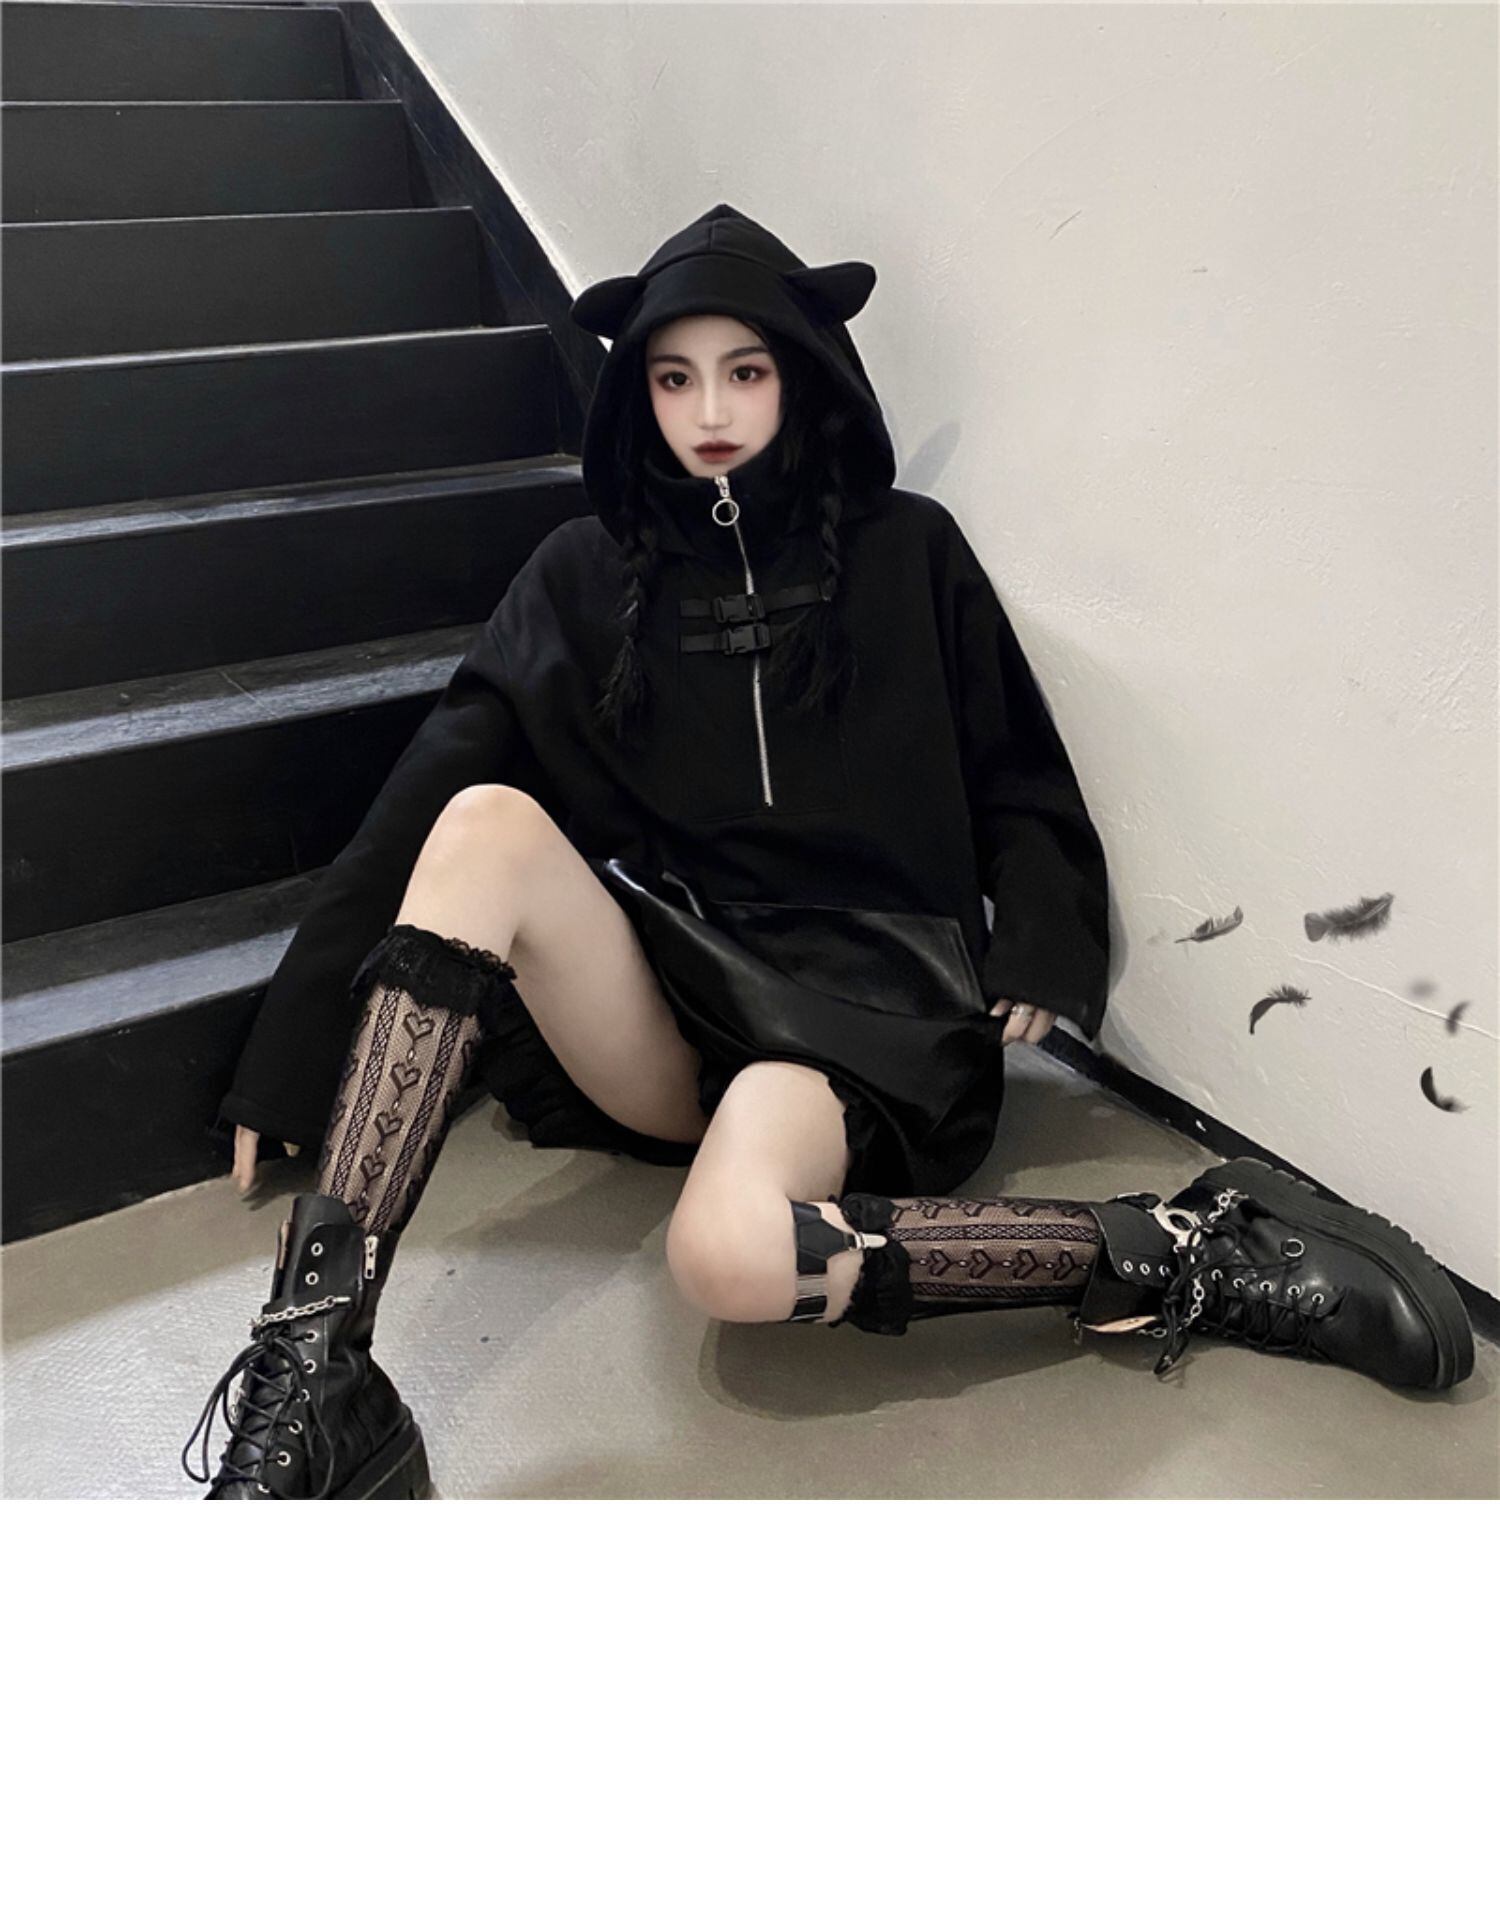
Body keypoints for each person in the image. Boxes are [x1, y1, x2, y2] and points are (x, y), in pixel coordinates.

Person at [181, 204, 1475, 1499]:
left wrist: (1044, 933)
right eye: (673, 378)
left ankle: (1185, 1243)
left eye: (744, 370)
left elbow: (1015, 765)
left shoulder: (907, 549)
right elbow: (421, 798)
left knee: (732, 1257)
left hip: (854, 1016)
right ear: (637, 393)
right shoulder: (584, 572)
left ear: (801, 374)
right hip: (679, 988)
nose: (710, 410)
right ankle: (317, 1366)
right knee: (481, 821)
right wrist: (295, 1057)